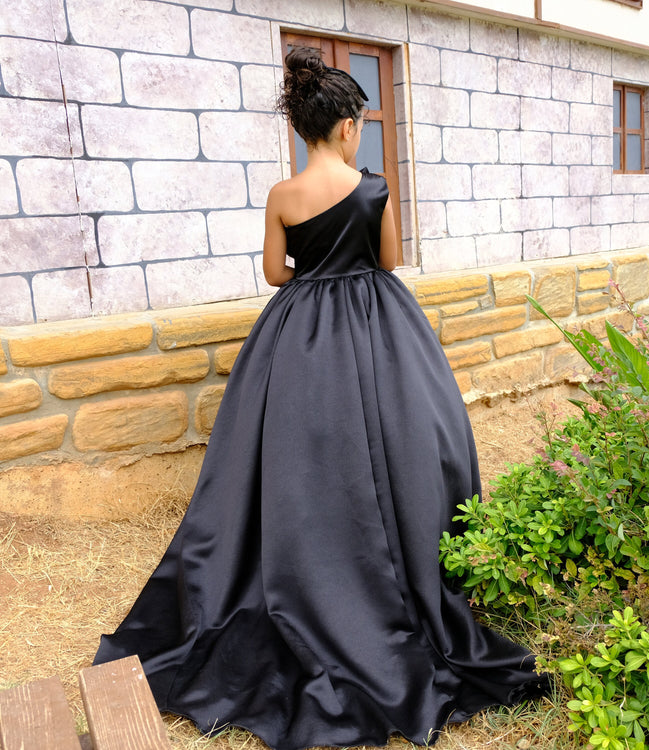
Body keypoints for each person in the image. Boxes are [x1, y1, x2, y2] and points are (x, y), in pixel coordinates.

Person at [93, 47, 549, 750]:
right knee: (410, 440)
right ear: (344, 126)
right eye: (360, 121)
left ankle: (300, 568)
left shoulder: (282, 195)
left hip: (298, 334)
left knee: (293, 452)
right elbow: (389, 261)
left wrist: (314, 271)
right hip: (378, 327)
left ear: (302, 129)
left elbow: (278, 271)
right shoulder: (376, 187)